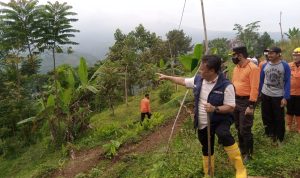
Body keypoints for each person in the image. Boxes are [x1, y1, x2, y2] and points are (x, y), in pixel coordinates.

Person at [157, 55, 247, 178]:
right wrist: (167, 77)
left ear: (211, 71)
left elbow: (231, 107)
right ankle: (208, 172)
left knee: (223, 134)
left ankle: (240, 170)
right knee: (206, 146)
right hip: (202, 121)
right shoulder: (198, 79)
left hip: (220, 119)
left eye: (202, 69)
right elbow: (183, 81)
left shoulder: (226, 85)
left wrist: (215, 108)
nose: (199, 71)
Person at [231, 46, 260, 162]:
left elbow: (254, 88)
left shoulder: (252, 68)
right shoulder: (236, 68)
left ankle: (249, 154)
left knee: (245, 129)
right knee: (238, 126)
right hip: (235, 100)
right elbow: (234, 84)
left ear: (240, 55)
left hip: (246, 101)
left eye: (234, 55)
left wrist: (251, 105)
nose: (233, 58)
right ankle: (242, 149)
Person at [259, 47, 291, 144]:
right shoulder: (265, 65)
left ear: (278, 54)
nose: (269, 55)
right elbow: (261, 80)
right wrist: (259, 93)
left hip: (278, 96)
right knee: (266, 115)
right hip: (265, 94)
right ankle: (269, 134)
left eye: (272, 53)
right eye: (268, 53)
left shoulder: (284, 66)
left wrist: (285, 97)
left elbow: (287, 81)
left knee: (278, 117)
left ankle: (279, 137)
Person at [286, 47, 300, 133]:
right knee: (289, 110)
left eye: (297, 56)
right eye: (294, 55)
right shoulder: (288, 65)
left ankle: (299, 127)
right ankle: (288, 126)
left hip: (299, 94)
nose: (295, 57)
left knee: (299, 111)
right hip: (290, 93)